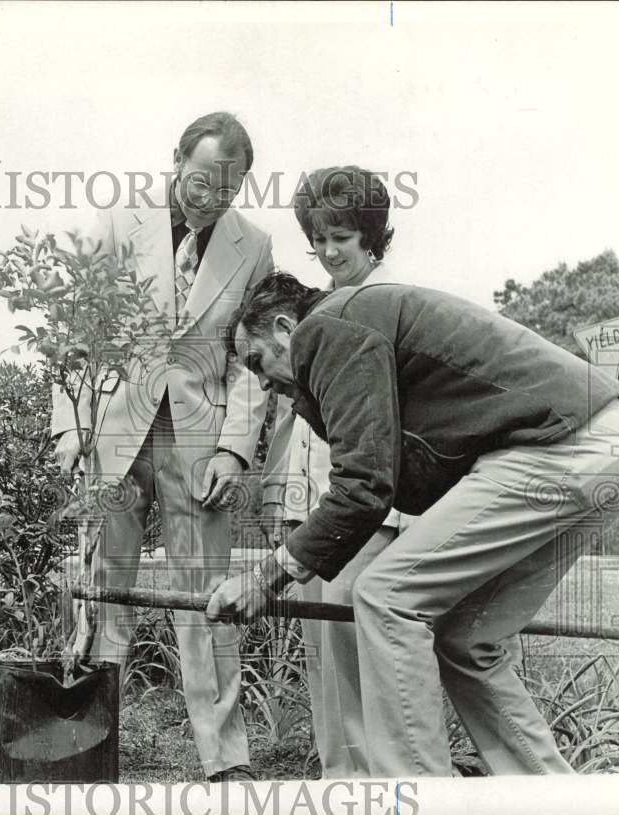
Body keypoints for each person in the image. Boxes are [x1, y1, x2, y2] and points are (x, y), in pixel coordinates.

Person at [208, 272, 619, 776]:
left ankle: (420, 797)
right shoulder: (356, 323)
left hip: (556, 447)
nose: (261, 382)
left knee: (386, 596)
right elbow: (393, 479)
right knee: (466, 640)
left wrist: (264, 576)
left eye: (257, 361)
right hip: (605, 445)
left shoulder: (327, 327)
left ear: (285, 328)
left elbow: (362, 487)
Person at [51, 112, 273, 781]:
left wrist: (235, 449)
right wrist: (68, 427)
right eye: (200, 180)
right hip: (114, 435)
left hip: (199, 448)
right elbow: (74, 331)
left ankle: (225, 760)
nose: (208, 199)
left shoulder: (254, 247)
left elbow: (253, 363)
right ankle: (87, 746)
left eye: (226, 191)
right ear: (176, 158)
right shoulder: (122, 223)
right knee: (102, 591)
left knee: (207, 597)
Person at [260, 166, 406, 777]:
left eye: (341, 237)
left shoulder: (387, 307)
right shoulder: (319, 310)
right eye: (317, 239)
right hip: (319, 504)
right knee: (322, 646)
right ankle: (338, 775)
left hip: (372, 509)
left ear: (373, 237)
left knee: (356, 637)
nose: (328, 251)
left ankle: (376, 776)